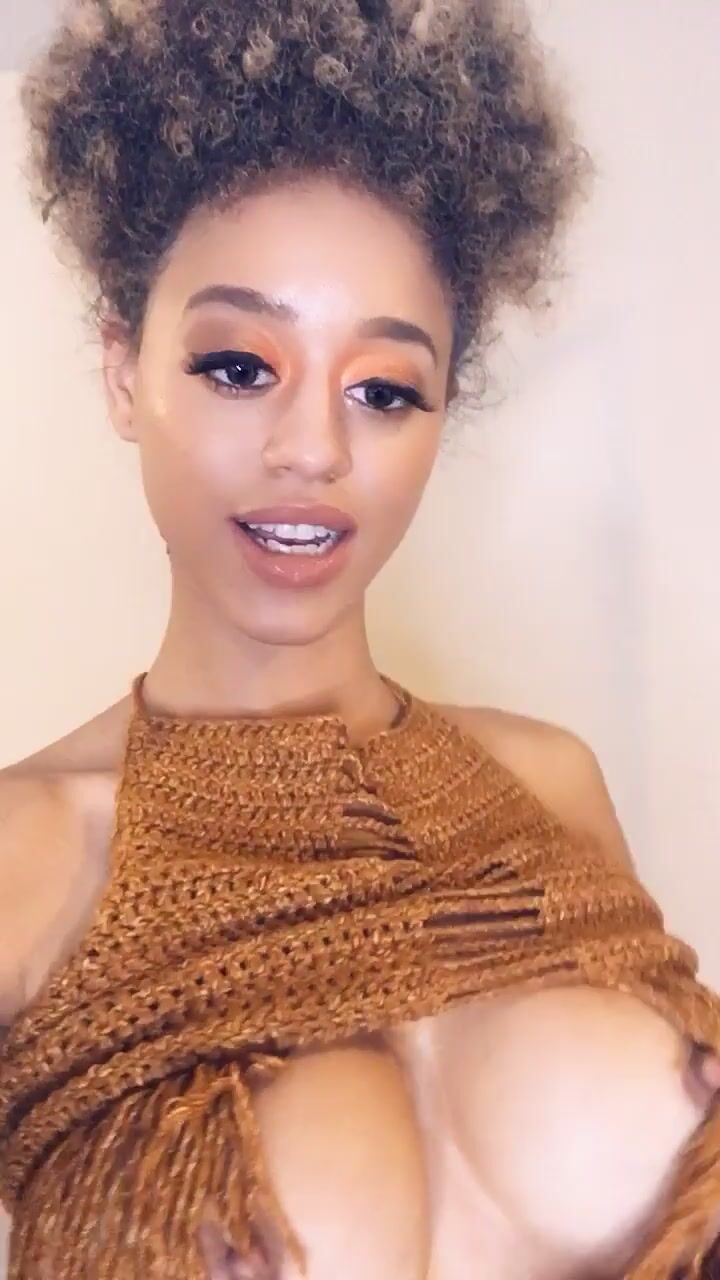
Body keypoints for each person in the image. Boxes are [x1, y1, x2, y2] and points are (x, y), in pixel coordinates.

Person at [1, 0, 719, 1277]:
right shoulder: (30, 854)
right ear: (123, 372)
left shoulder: (549, 781)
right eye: (239, 365)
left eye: (384, 389)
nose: (314, 449)